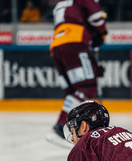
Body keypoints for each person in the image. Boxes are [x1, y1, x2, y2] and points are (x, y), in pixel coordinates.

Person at [45, 0, 107, 147]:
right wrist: (101, 34)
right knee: (86, 88)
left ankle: (77, 134)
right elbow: (96, 17)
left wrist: (93, 67)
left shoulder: (61, 2)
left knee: (74, 91)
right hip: (75, 41)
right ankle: (59, 128)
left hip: (57, 45)